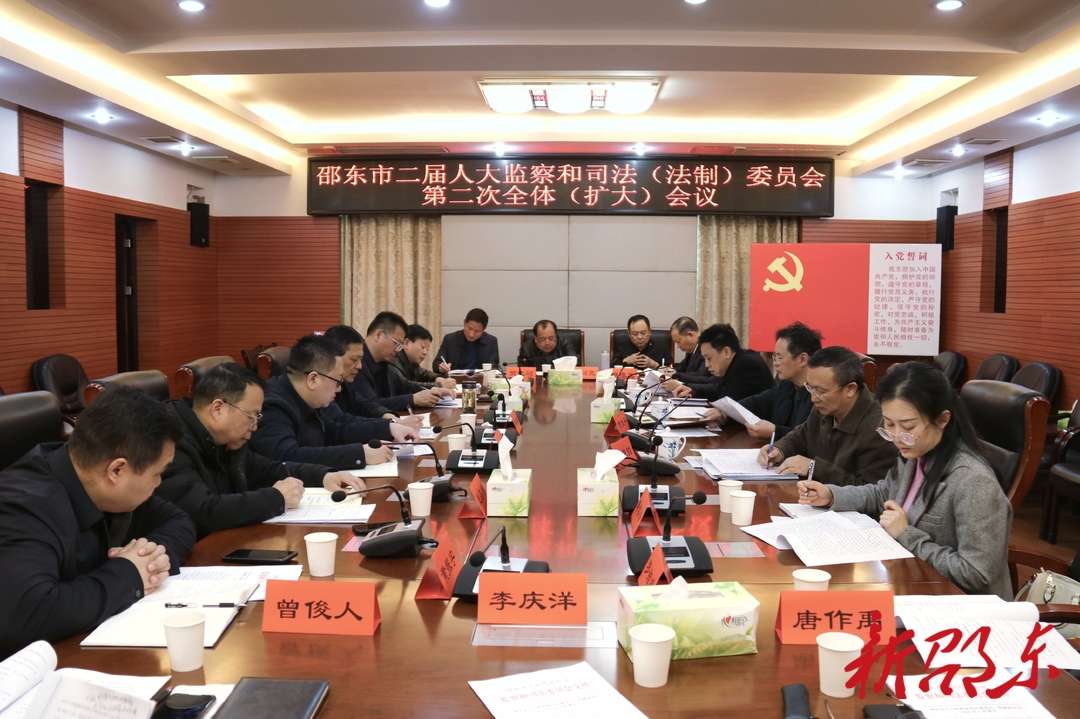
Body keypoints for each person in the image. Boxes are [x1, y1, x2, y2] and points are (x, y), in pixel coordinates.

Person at [0, 386, 195, 658]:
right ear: (117, 470)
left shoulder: (98, 480)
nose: (158, 483)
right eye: (157, 473)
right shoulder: (26, 507)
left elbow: (179, 521)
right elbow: (26, 615)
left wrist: (149, 560)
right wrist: (129, 573)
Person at [798, 362, 1012, 599]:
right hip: (909, 582)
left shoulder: (974, 482)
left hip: (957, 603)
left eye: (908, 426)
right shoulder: (916, 452)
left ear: (942, 419)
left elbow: (976, 574)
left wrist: (906, 533)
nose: (897, 437)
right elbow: (883, 494)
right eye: (889, 424)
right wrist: (832, 495)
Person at [158, 364, 369, 539]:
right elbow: (201, 511)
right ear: (218, 409)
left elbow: (268, 469)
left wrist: (323, 475)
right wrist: (276, 498)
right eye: (252, 416)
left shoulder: (225, 440)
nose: (255, 426)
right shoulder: (169, 443)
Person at [249, 334, 416, 468]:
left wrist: (388, 427)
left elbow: (335, 431)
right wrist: (360, 454)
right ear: (313, 379)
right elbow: (287, 457)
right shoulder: (271, 404)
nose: (339, 389)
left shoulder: (305, 396)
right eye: (337, 381)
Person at [759, 346, 898, 486]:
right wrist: (779, 451)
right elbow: (800, 437)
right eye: (810, 388)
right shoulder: (824, 408)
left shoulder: (879, 430)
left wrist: (814, 468)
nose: (813, 398)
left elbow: (870, 490)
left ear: (850, 389)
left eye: (821, 391)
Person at [703, 321, 821, 440]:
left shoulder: (820, 395)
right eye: (774, 357)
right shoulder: (787, 385)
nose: (775, 363)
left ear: (802, 359)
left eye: (779, 358)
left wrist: (775, 432)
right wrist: (725, 413)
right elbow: (756, 403)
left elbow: (812, 438)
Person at [323, 324, 424, 430]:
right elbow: (340, 421)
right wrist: (389, 425)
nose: (359, 366)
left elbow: (364, 405)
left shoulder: (344, 382)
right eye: (354, 360)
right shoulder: (322, 385)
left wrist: (390, 418)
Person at [353, 312, 453, 415]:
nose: (398, 349)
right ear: (378, 335)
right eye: (396, 343)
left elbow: (404, 386)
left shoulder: (382, 361)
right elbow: (370, 405)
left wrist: (435, 389)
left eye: (400, 345)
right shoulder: (356, 364)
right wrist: (412, 399)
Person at [667, 323, 774, 401]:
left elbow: (729, 403)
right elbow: (717, 389)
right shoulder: (731, 363)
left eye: (709, 358)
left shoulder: (748, 365)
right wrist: (692, 391)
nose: (706, 365)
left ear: (726, 352)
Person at [390, 324, 457, 390]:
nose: (425, 352)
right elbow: (406, 386)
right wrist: (440, 385)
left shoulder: (412, 362)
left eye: (427, 349)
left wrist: (438, 378)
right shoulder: (393, 360)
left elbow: (425, 374)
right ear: (406, 343)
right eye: (422, 347)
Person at [435, 308, 500, 372]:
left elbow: (494, 365)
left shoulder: (491, 341)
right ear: (464, 322)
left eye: (477, 331)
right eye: (469, 328)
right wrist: (441, 367)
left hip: (481, 378)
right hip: (453, 378)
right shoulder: (450, 339)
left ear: (484, 328)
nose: (471, 334)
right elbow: (436, 363)